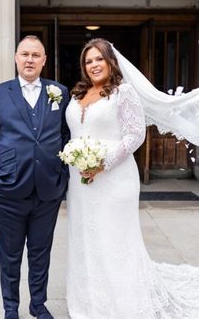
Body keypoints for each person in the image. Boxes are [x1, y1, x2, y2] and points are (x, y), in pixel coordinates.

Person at [65, 38, 199, 318]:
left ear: (110, 61)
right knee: (86, 239)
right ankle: (90, 301)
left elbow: (135, 135)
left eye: (98, 59)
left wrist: (103, 163)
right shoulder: (78, 94)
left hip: (114, 180)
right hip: (80, 184)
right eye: (88, 61)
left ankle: (120, 304)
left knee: (114, 240)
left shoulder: (123, 93)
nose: (93, 65)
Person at [0, 35, 70, 319]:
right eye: (24, 54)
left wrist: (62, 178)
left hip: (47, 190)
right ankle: (10, 308)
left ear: (44, 60)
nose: (29, 60)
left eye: (35, 55)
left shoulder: (59, 92)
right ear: (16, 58)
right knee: (10, 254)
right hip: (7, 190)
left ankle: (38, 304)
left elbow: (66, 137)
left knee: (41, 252)